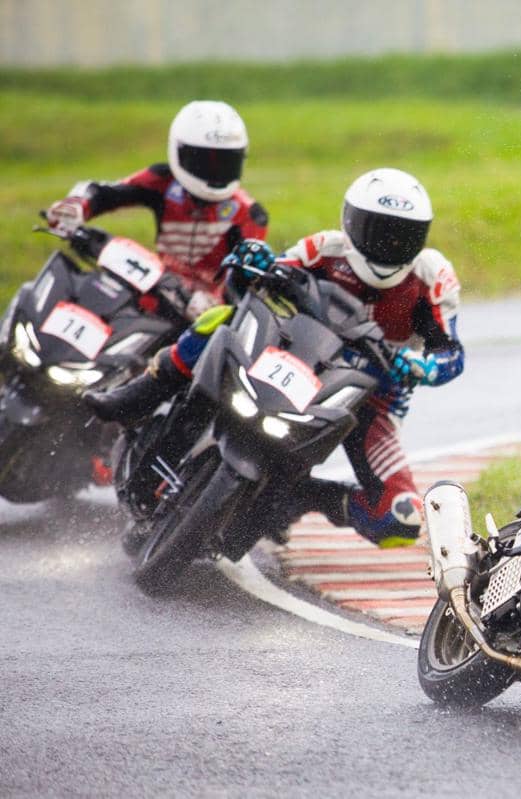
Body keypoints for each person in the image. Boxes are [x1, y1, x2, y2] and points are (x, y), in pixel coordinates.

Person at [85, 168, 463, 548]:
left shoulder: (431, 275)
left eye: (402, 235)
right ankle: (143, 391)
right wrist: (253, 260)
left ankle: (295, 499)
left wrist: (420, 366)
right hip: (295, 352)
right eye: (377, 230)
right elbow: (263, 278)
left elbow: (451, 353)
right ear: (351, 222)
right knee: (224, 317)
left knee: (402, 521)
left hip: (371, 398)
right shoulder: (326, 248)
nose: (389, 244)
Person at [44, 100, 267, 316]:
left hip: (204, 322)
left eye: (226, 162)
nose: (215, 172)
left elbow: (246, 285)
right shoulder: (163, 180)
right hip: (152, 292)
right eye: (205, 161)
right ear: (178, 151)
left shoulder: (249, 214)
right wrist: (75, 207)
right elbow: (106, 192)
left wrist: (216, 304)